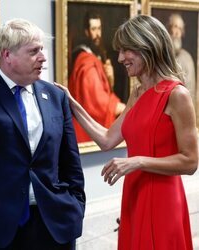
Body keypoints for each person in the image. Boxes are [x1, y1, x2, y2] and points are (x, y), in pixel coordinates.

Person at [56, 14, 198, 249]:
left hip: (163, 200)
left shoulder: (177, 95)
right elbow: (107, 139)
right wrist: (71, 102)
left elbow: (191, 162)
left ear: (147, 47)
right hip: (135, 194)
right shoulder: (138, 92)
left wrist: (138, 162)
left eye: (126, 51)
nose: (120, 58)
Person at [0, 18, 85, 250]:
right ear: (6, 55)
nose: (43, 57)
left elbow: (69, 159)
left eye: (42, 49)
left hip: (51, 222)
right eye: (34, 51)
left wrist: (76, 205)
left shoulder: (55, 96)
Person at [68, 10, 126, 143]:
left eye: (99, 28)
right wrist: (121, 107)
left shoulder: (96, 55)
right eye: (93, 29)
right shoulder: (86, 62)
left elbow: (104, 89)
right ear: (87, 32)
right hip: (86, 132)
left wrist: (110, 79)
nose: (97, 34)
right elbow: (96, 101)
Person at [167, 13, 196, 106]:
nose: (176, 32)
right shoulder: (161, 55)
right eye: (175, 26)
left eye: (180, 28)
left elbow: (190, 91)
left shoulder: (187, 58)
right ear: (169, 28)